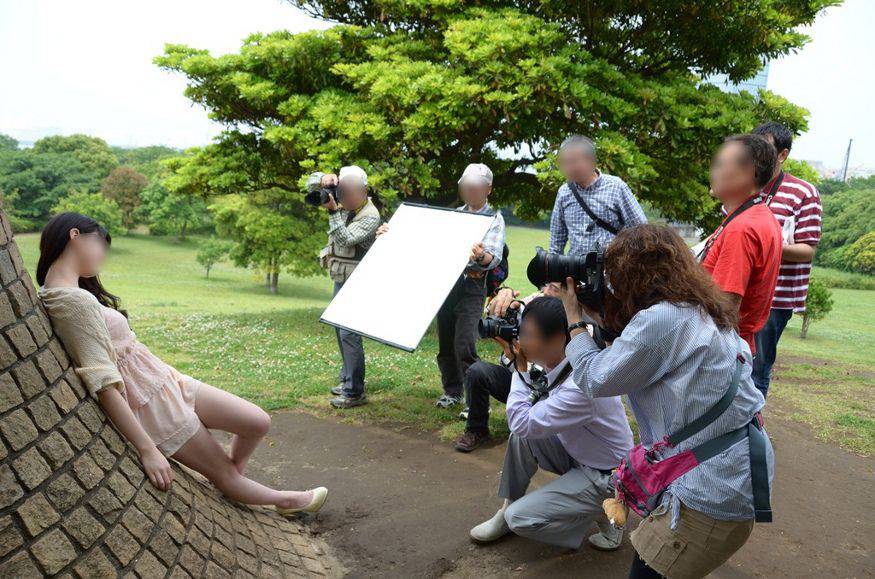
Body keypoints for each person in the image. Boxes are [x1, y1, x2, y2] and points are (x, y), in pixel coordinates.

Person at [37, 213, 328, 516]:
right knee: (225, 475)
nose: (103, 255)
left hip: (166, 380)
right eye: (101, 245)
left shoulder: (71, 293)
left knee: (257, 421)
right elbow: (103, 382)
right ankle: (284, 501)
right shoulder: (71, 301)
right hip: (151, 405)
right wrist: (147, 448)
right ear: (75, 235)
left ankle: (233, 477)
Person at [561, 224, 774, 578]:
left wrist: (572, 318)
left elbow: (594, 378)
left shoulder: (661, 319)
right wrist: (598, 311)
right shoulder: (700, 308)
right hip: (736, 470)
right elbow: (637, 345)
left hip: (709, 492)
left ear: (634, 275)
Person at [468, 297, 633, 551]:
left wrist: (519, 369)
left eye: (528, 335)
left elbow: (521, 422)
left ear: (557, 339)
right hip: (581, 454)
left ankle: (603, 514)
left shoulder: (580, 383)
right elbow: (527, 422)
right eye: (520, 331)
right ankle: (507, 506)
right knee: (523, 438)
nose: (520, 341)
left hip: (607, 478)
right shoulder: (566, 360)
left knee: (520, 520)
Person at [376, 163, 506, 409]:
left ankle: (476, 401)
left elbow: (493, 257)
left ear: (488, 189)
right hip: (447, 287)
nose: (470, 191)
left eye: (475, 186)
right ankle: (452, 391)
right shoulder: (453, 215)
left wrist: (479, 256)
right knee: (446, 344)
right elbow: (424, 243)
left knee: (464, 344)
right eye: (466, 186)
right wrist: (390, 233)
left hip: (472, 287)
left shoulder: (494, 219)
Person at [750, 121, 823, 398]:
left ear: (783, 154)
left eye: (765, 149)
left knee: (758, 368)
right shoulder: (747, 185)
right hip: (739, 290)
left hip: (776, 298)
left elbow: (807, 249)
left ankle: (750, 434)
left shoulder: (803, 193)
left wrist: (763, 245)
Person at [700, 134, 783, 355]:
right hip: (734, 348)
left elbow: (723, 308)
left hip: (718, 353)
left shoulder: (742, 229)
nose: (713, 172)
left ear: (749, 172)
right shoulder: (759, 216)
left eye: (719, 164)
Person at [453, 285, 561, 453]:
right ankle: (476, 429)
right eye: (546, 285)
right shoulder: (532, 303)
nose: (546, 291)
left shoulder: (570, 323)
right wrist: (504, 296)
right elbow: (494, 313)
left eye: (553, 288)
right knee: (477, 371)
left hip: (551, 391)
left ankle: (546, 433)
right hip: (519, 377)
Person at [309, 165, 381, 409]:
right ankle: (347, 379)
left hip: (359, 281)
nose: (344, 197)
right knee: (339, 329)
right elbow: (309, 185)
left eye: (349, 193)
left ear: (364, 191)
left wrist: (332, 213)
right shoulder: (345, 201)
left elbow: (345, 239)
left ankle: (354, 391)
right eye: (342, 191)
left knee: (350, 333)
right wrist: (323, 179)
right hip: (342, 277)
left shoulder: (370, 216)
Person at [549, 135, 647, 256]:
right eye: (565, 163)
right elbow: (557, 240)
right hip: (575, 271)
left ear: (592, 161)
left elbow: (641, 230)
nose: (569, 168)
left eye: (573, 162)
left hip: (612, 270)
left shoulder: (616, 187)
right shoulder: (564, 192)